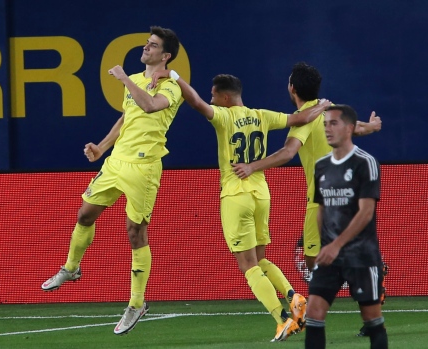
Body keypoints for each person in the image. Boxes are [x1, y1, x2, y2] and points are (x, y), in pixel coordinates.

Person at [151, 69, 330, 341]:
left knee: (247, 265)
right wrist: (322, 106)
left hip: (236, 195)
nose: (210, 100)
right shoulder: (262, 115)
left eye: (214, 95)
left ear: (225, 97)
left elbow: (196, 102)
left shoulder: (223, 116)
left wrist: (173, 77)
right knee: (260, 259)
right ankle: (294, 298)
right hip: (261, 195)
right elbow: (301, 117)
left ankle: (281, 319)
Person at [40, 26, 182, 336]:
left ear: (165, 55)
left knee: (135, 233)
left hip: (144, 168)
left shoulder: (171, 86)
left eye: (153, 45)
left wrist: (124, 78)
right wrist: (102, 147)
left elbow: (148, 105)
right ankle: (72, 268)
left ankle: (136, 303)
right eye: (147, 43)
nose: (146, 47)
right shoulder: (139, 80)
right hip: (116, 163)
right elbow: (127, 116)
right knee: (85, 214)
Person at [232, 62, 381, 276]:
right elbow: (356, 128)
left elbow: (287, 152)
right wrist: (373, 126)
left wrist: (251, 167)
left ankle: (365, 268)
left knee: (312, 259)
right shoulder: (331, 111)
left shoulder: (305, 118)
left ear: (292, 88)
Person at [304, 105, 388, 348]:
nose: (327, 129)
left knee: (371, 317)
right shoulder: (321, 166)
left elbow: (366, 212)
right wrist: (325, 245)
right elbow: (321, 209)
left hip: (360, 255)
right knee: (314, 312)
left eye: (333, 124)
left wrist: (336, 245)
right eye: (325, 124)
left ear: (350, 128)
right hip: (330, 257)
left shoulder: (365, 163)